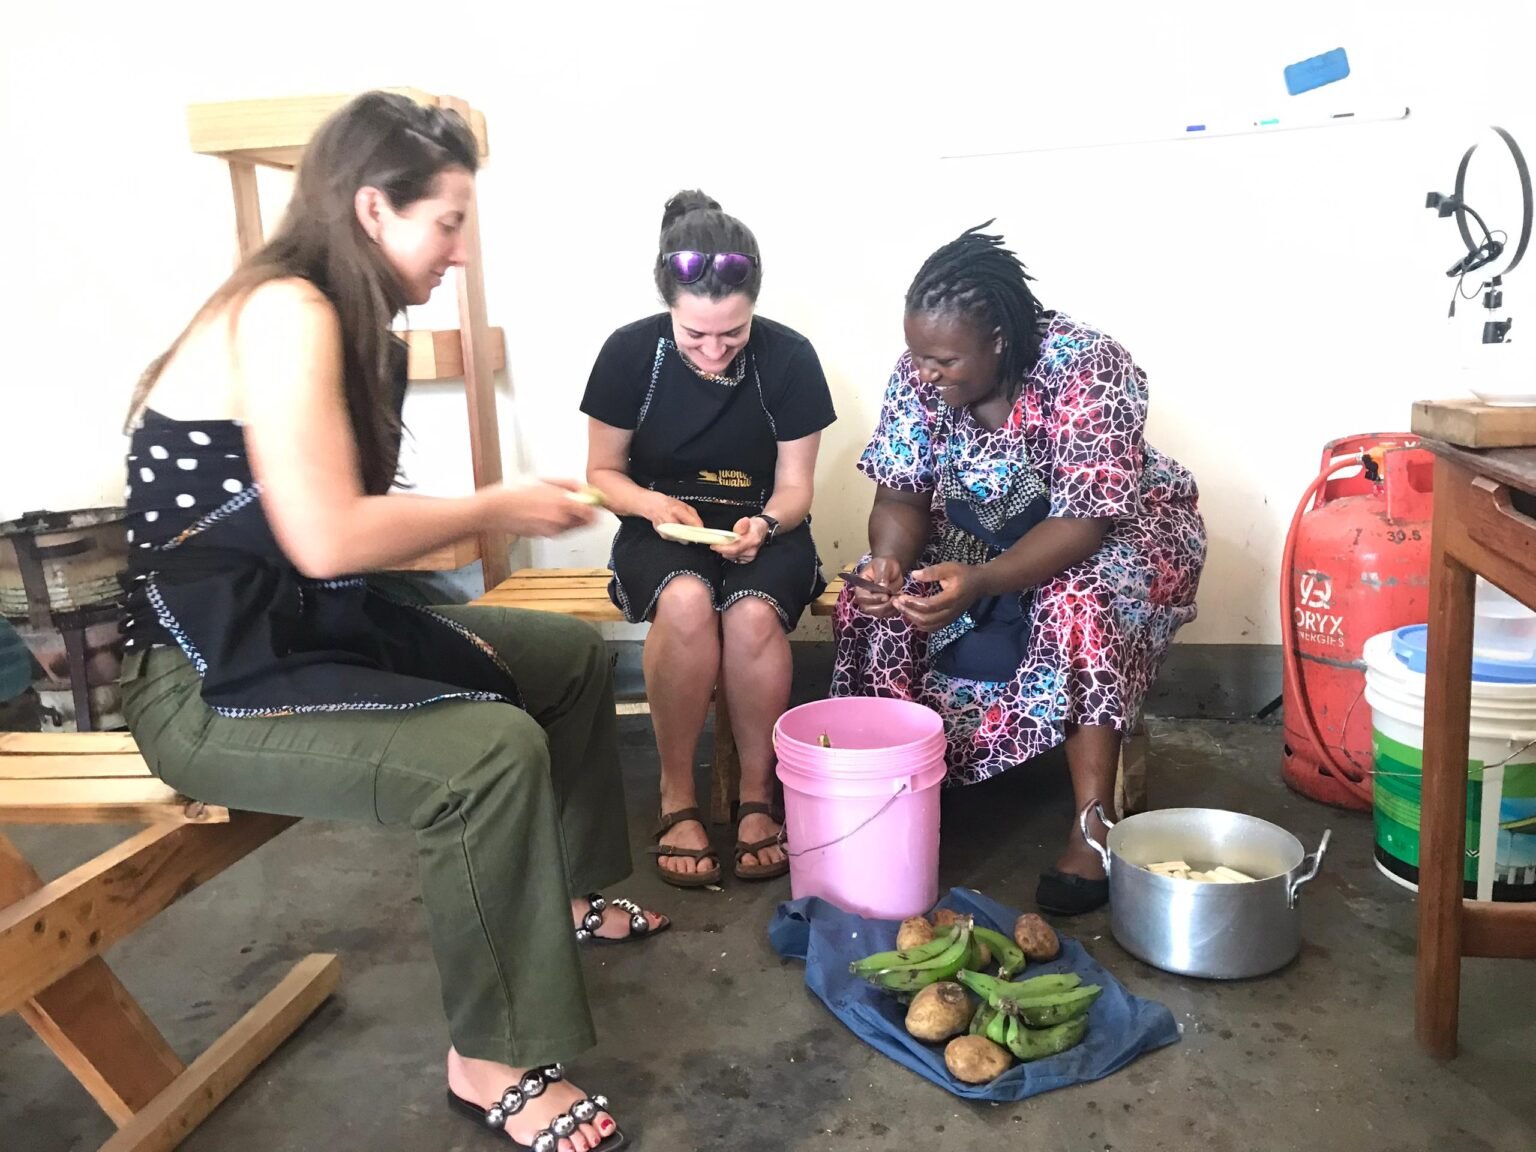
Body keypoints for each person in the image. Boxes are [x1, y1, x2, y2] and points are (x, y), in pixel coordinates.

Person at [118, 91, 658, 1152]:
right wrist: (496, 507)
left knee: (563, 657)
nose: (461, 249)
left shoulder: (345, 318)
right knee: (486, 757)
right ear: (374, 209)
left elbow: (337, 544)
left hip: (303, 628)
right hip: (204, 678)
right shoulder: (288, 309)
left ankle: (563, 899)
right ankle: (491, 1056)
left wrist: (499, 509)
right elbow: (328, 539)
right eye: (447, 221)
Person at [832, 223, 1206, 916]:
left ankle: (1092, 825)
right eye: (919, 357)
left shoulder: (1088, 365)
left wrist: (981, 581)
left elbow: (1085, 521)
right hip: (982, 527)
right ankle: (905, 778)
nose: (926, 373)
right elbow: (900, 497)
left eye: (945, 360)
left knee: (1078, 598)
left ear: (999, 341)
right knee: (869, 594)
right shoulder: (920, 372)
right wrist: (889, 560)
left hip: (1120, 530)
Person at [582, 191, 836, 888]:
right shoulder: (630, 352)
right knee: (687, 599)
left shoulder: (790, 357)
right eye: (696, 335)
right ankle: (677, 795)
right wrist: (652, 504)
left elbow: (796, 488)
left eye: (734, 332)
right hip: (660, 524)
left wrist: (766, 525)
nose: (716, 350)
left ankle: (757, 796)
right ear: (668, 305)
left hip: (765, 523)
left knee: (752, 612)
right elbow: (602, 474)